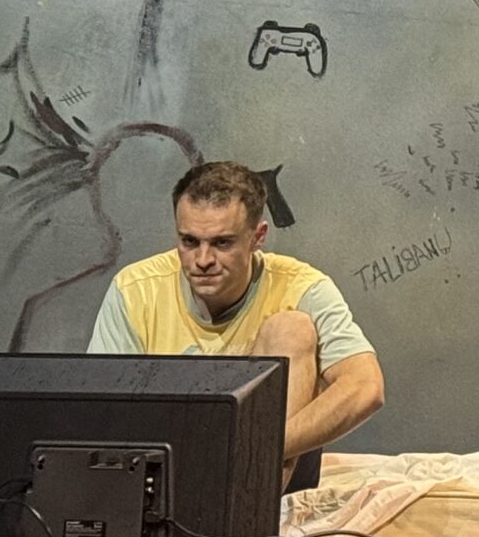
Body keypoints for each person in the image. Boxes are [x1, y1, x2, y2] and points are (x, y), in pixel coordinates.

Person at [87, 160, 384, 485]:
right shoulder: (136, 289)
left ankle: (248, 509)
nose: (203, 260)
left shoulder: (301, 287)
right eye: (189, 242)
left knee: (291, 329)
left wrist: (248, 452)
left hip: (272, 472)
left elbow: (365, 388)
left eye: (222, 243)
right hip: (171, 470)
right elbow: (101, 412)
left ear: (258, 237)